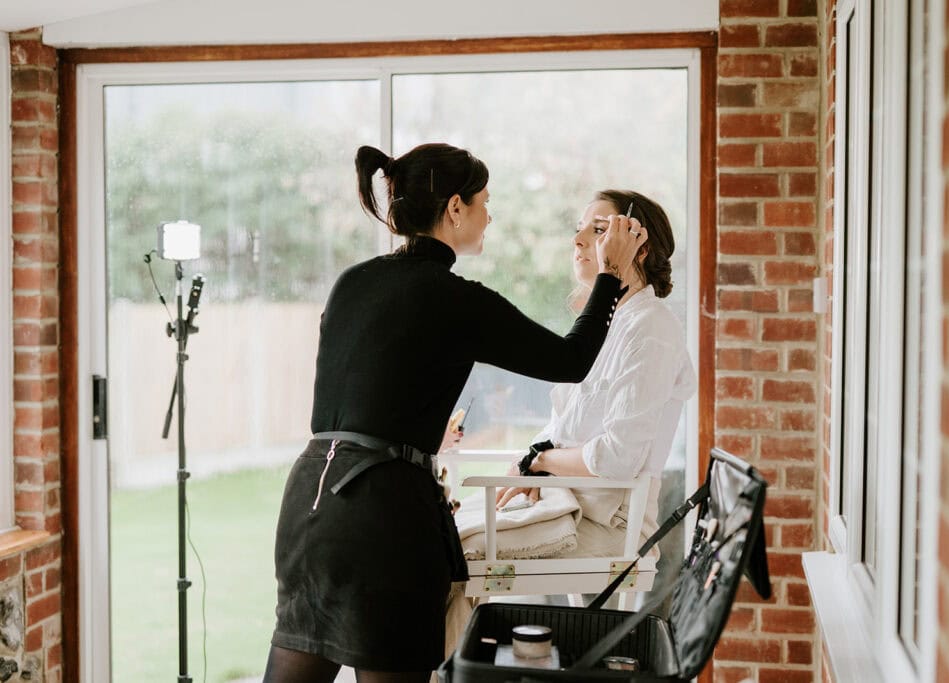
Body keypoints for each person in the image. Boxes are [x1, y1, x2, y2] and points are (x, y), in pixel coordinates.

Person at [263, 144, 648, 683]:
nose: (490, 215)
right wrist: (611, 274)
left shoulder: (352, 281)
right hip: (384, 515)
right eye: (484, 202)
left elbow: (349, 398)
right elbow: (570, 360)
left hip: (310, 502)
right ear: (455, 209)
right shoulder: (458, 299)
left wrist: (416, 430)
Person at [493, 189, 696, 563]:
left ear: (639, 247)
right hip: (568, 502)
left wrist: (540, 460)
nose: (578, 239)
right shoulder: (606, 325)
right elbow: (562, 424)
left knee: (452, 557)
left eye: (599, 229)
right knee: (447, 537)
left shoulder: (652, 327)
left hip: (611, 522)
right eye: (579, 228)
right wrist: (527, 460)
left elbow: (617, 457)